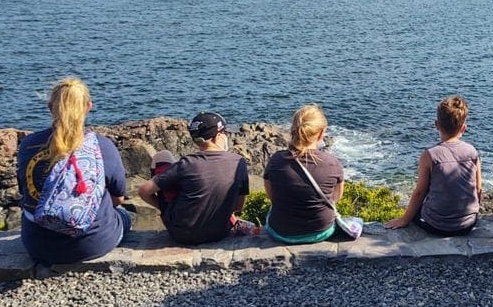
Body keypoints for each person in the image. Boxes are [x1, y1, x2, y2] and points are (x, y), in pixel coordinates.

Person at [16, 77, 132, 264]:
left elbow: (25, 194)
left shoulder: (28, 145)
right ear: (88, 106)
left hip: (38, 245)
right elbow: (118, 199)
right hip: (91, 244)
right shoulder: (102, 146)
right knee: (125, 215)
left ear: (50, 107)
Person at [137, 111, 249, 245]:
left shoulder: (186, 164)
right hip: (219, 233)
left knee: (163, 156)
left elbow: (144, 191)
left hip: (181, 234)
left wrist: (165, 209)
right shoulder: (239, 163)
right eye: (225, 132)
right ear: (217, 136)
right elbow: (237, 207)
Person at [385, 95, 482, 235]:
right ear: (463, 127)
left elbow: (419, 193)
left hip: (437, 225)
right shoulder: (472, 152)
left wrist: (405, 219)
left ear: (436, 125)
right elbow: (478, 188)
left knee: (418, 210)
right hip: (468, 224)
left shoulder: (430, 155)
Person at [263, 104, 349, 244]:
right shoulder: (332, 163)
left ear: (293, 130)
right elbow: (336, 197)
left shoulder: (276, 161)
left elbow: (272, 196)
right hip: (322, 231)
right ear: (321, 133)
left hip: (280, 232)